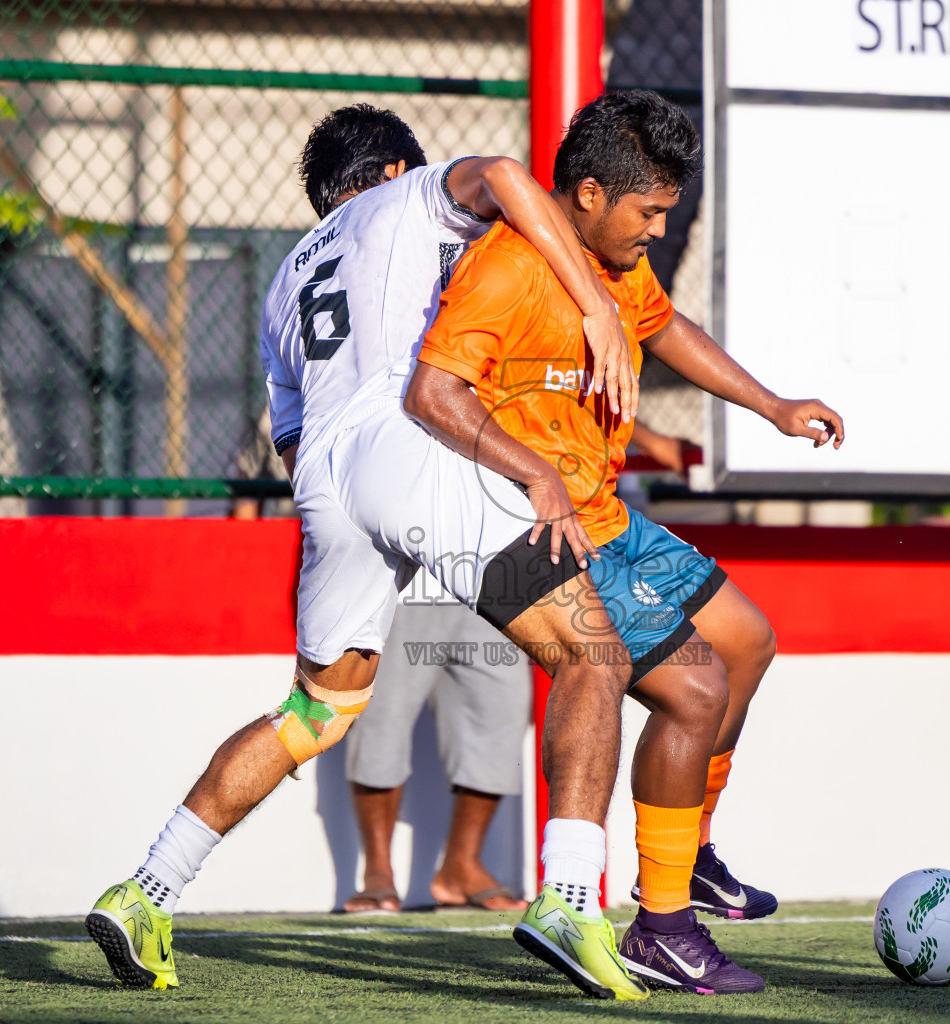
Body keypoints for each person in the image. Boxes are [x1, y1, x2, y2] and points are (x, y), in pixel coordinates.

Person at [84, 104, 652, 1001]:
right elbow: (504, 172)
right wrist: (598, 310)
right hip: (404, 444)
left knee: (316, 712)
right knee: (594, 655)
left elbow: (291, 434)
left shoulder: (283, 282)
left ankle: (147, 889)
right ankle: (571, 898)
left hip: (323, 484)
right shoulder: (406, 199)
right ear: (391, 172)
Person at [406, 90, 845, 995]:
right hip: (540, 528)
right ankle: (665, 923)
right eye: (649, 213)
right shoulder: (507, 270)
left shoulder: (610, 266)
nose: (656, 230)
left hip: (611, 513)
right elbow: (433, 394)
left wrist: (771, 405)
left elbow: (666, 327)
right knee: (694, 690)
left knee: (747, 640)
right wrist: (532, 472)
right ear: (592, 193)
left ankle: (690, 858)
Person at [342, 572, 529, 914]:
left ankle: (462, 866)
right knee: (382, 714)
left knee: (500, 713)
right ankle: (378, 872)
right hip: (405, 574)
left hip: (495, 576)